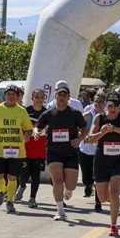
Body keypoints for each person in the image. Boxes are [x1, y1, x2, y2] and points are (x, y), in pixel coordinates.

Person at [34, 80, 88, 220]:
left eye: (64, 94)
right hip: (53, 151)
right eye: (59, 94)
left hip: (70, 152)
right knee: (57, 181)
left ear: (68, 97)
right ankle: (60, 211)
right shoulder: (48, 113)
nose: (62, 97)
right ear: (55, 96)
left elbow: (85, 129)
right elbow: (38, 126)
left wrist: (79, 139)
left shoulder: (75, 113)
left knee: (71, 184)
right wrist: (35, 132)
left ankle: (68, 190)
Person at [87, 91, 120, 236]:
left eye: (116, 105)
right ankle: (100, 189)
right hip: (101, 160)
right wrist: (102, 132)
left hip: (118, 160)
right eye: (110, 105)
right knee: (103, 198)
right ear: (106, 105)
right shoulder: (98, 118)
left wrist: (114, 129)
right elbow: (90, 139)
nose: (113, 108)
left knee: (114, 193)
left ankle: (113, 225)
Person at [0, 84, 33, 213]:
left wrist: (27, 135)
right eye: (9, 94)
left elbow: (29, 128)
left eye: (14, 94)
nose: (11, 96)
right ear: (5, 95)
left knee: (13, 177)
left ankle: (10, 202)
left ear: (17, 96)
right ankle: (3, 191)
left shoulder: (21, 111)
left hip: (16, 150)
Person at [15, 89, 47, 208]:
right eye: (36, 97)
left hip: (39, 149)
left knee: (36, 175)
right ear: (32, 98)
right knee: (23, 174)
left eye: (41, 97)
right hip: (26, 148)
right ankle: (22, 186)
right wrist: (26, 134)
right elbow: (20, 126)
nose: (39, 99)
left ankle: (32, 198)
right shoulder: (25, 111)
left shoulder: (47, 112)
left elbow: (49, 128)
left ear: (44, 99)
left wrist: (42, 131)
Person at [78, 90, 105, 208]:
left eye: (100, 102)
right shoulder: (88, 115)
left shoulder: (107, 115)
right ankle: (88, 185)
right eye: (96, 101)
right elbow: (78, 127)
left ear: (105, 103)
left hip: (100, 151)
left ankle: (98, 202)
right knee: (87, 178)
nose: (98, 104)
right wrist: (82, 136)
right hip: (85, 150)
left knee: (98, 176)